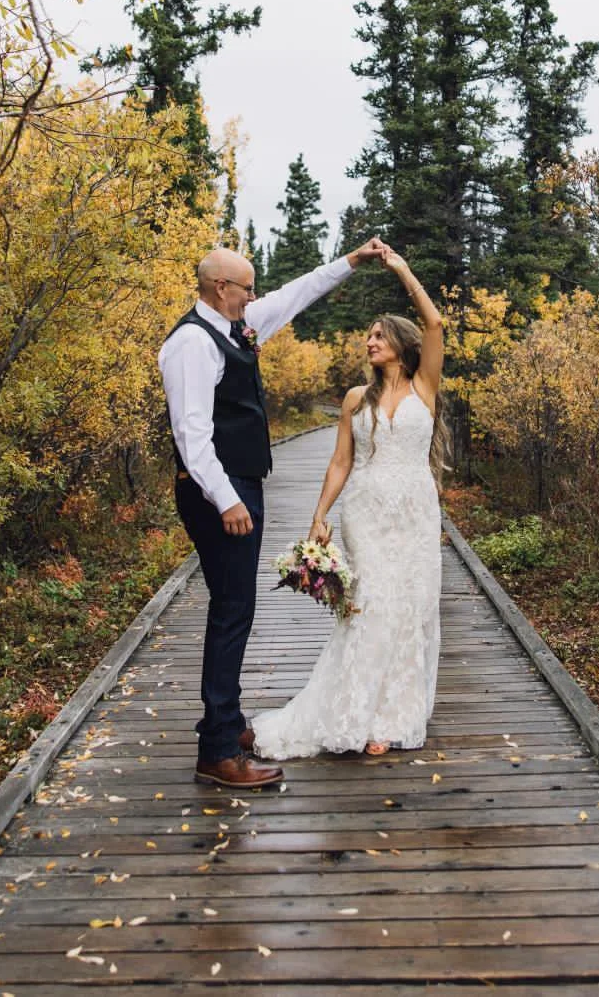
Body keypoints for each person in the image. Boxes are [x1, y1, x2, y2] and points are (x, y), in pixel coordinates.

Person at [158, 237, 386, 789]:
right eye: (247, 287)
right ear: (221, 287)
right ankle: (216, 749)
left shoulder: (236, 325)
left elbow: (294, 295)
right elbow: (192, 433)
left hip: (239, 485)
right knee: (232, 610)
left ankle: (228, 723)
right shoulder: (192, 341)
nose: (255, 296)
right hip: (219, 491)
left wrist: (350, 262)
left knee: (236, 606)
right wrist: (227, 498)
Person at [252, 247, 445, 760]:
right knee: (368, 608)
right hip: (365, 510)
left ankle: (392, 717)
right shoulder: (356, 399)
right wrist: (319, 514)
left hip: (416, 513)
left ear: (402, 346)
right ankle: (354, 713)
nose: (370, 342)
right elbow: (340, 462)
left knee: (409, 609)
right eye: (368, 336)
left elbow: (434, 320)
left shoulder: (426, 387)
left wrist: (402, 268)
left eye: (379, 336)